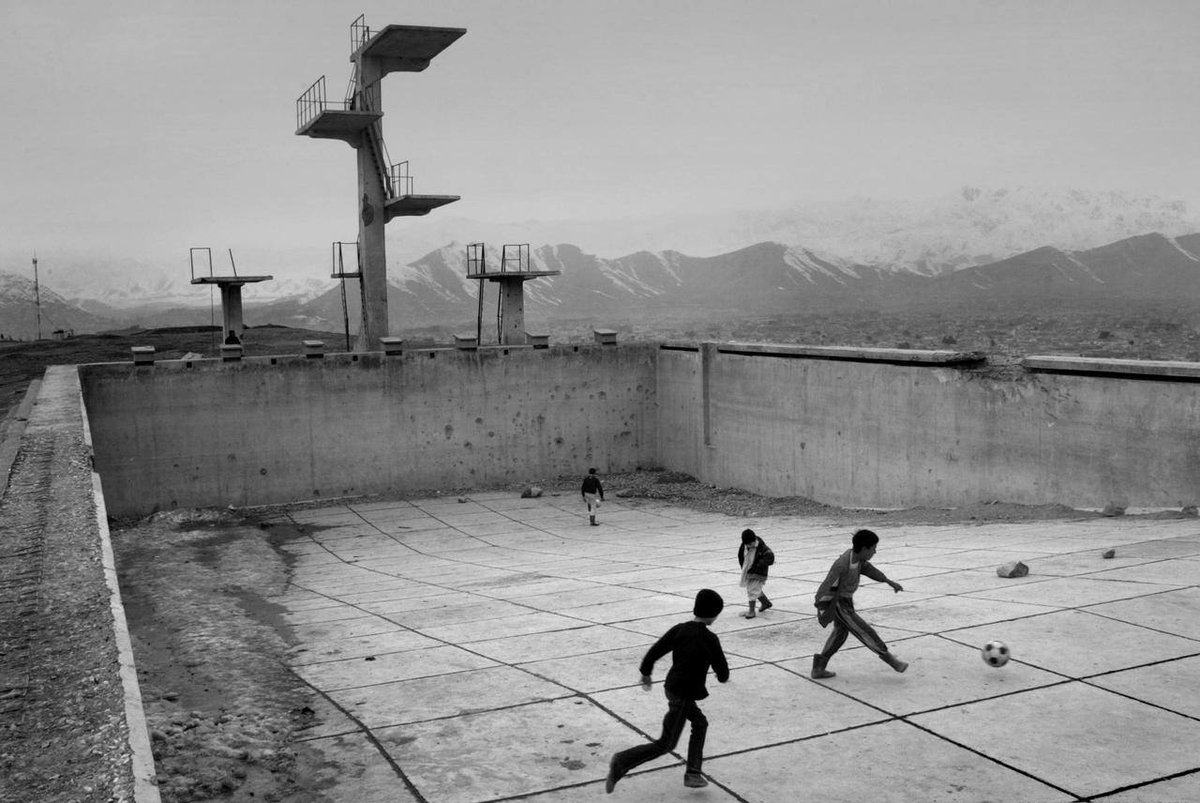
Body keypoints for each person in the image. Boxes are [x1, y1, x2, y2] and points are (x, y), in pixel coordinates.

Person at [606, 588, 730, 793]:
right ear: (715, 614)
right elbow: (723, 672)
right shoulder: (710, 639)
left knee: (700, 723)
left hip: (672, 688)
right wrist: (721, 676)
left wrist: (646, 673)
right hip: (684, 693)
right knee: (666, 744)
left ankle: (693, 773)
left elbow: (655, 651)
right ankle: (621, 762)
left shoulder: (679, 629)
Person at [811, 528, 907, 678]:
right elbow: (827, 588)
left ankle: (819, 667)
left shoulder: (858, 560)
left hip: (846, 601)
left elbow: (869, 570)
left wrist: (888, 581)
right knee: (863, 630)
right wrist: (823, 609)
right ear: (864, 548)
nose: (875, 552)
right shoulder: (842, 565)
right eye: (873, 549)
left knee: (840, 634)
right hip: (837, 603)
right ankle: (890, 659)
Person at [736, 528, 774, 618]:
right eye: (747, 544)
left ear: (754, 540)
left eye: (751, 543)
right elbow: (741, 557)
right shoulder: (744, 546)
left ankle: (751, 611)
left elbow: (770, 557)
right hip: (748, 571)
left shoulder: (762, 547)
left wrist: (760, 563)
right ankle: (765, 603)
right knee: (754, 588)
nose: (749, 545)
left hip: (758, 572)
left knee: (752, 590)